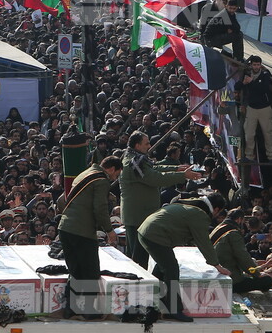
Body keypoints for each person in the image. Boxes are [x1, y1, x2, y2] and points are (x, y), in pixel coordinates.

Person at [138, 194, 232, 322]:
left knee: (162, 267)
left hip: (148, 231)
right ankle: (174, 310)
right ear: (216, 209)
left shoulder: (191, 205)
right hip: (155, 235)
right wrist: (217, 265)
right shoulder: (200, 215)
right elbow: (204, 242)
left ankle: (152, 300)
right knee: (171, 270)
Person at [119, 132, 200, 269]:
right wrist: (182, 176)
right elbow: (155, 178)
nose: (149, 146)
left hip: (140, 214)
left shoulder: (137, 158)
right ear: (137, 145)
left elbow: (154, 168)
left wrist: (176, 168)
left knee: (140, 255)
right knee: (138, 258)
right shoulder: (134, 162)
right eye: (146, 144)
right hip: (138, 216)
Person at [57, 156, 123, 319]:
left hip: (65, 228)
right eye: (116, 175)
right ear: (112, 169)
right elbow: (99, 208)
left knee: (75, 270)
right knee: (91, 270)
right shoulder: (101, 180)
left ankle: (70, 308)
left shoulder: (85, 173)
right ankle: (89, 310)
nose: (114, 179)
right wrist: (109, 230)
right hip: (83, 231)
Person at [212, 208, 272, 294]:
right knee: (267, 281)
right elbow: (242, 257)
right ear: (239, 219)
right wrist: (258, 274)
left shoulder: (218, 229)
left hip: (214, 274)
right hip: (230, 278)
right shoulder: (233, 233)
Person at [240, 55, 272, 162]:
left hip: (264, 108)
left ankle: (271, 156)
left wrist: (251, 82)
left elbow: (264, 89)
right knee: (249, 133)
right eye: (254, 65)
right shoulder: (247, 74)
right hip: (252, 108)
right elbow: (239, 87)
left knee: (268, 133)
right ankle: (249, 156)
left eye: (258, 65)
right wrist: (244, 83)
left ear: (261, 65)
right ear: (251, 65)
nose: (256, 67)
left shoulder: (265, 74)